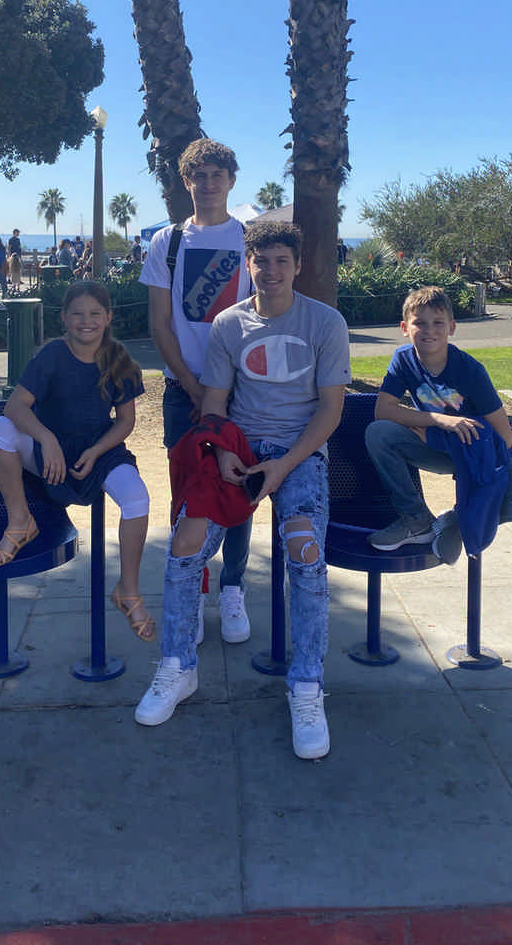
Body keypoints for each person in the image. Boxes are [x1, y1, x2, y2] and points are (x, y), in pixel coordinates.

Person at [135, 220, 350, 758]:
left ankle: (306, 687)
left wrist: (284, 466)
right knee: (185, 544)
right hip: (239, 450)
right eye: (262, 260)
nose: (271, 270)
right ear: (247, 264)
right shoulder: (229, 324)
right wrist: (224, 451)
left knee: (304, 549)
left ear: (297, 266)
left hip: (299, 454)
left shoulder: (325, 322)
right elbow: (214, 403)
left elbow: (330, 410)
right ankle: (178, 667)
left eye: (282, 260)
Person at [0, 282, 155, 640]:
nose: (86, 321)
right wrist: (46, 438)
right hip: (49, 453)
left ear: (108, 318)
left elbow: (125, 421)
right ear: (63, 318)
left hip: (99, 450)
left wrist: (95, 451)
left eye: (95, 314)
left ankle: (128, 590)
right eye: (77, 314)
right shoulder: (51, 356)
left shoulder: (120, 359)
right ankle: (20, 523)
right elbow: (15, 407)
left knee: (137, 500)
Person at [139, 139, 255, 644]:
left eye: (217, 174)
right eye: (199, 176)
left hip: (243, 389)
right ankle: (196, 583)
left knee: (242, 485)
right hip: (180, 388)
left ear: (231, 180)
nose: (208, 184)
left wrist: (225, 388)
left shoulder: (250, 241)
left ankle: (233, 588)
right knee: (186, 484)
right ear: (185, 183)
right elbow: (160, 324)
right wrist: (190, 384)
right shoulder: (167, 242)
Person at [363, 286, 512, 564]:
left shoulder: (470, 370)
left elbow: (503, 432)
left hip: (488, 450)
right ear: (404, 327)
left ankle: (457, 520)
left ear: (451, 327)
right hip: (439, 445)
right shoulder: (403, 360)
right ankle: (415, 519)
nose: (429, 330)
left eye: (438, 323)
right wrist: (439, 421)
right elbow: (383, 411)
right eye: (420, 323)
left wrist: (477, 471)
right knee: (378, 433)